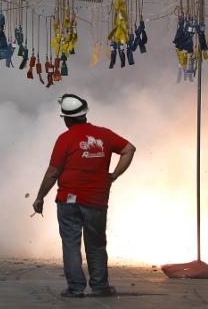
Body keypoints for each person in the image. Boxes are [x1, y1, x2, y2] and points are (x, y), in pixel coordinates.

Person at [32, 94, 136, 298]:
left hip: (68, 201)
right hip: (96, 201)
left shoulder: (65, 139)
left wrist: (40, 197)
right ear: (84, 114)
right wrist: (113, 175)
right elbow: (129, 149)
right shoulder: (105, 135)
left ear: (67, 119)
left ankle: (75, 288)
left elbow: (53, 172)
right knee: (96, 244)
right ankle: (100, 287)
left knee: (71, 243)